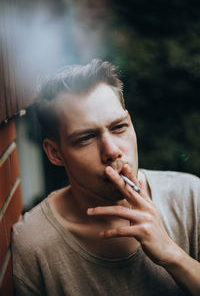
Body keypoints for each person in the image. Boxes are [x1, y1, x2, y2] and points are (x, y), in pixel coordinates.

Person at [12, 59, 200, 296]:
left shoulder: (191, 197)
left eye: (119, 127)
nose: (111, 150)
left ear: (130, 122)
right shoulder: (32, 243)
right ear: (55, 153)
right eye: (86, 138)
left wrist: (174, 257)